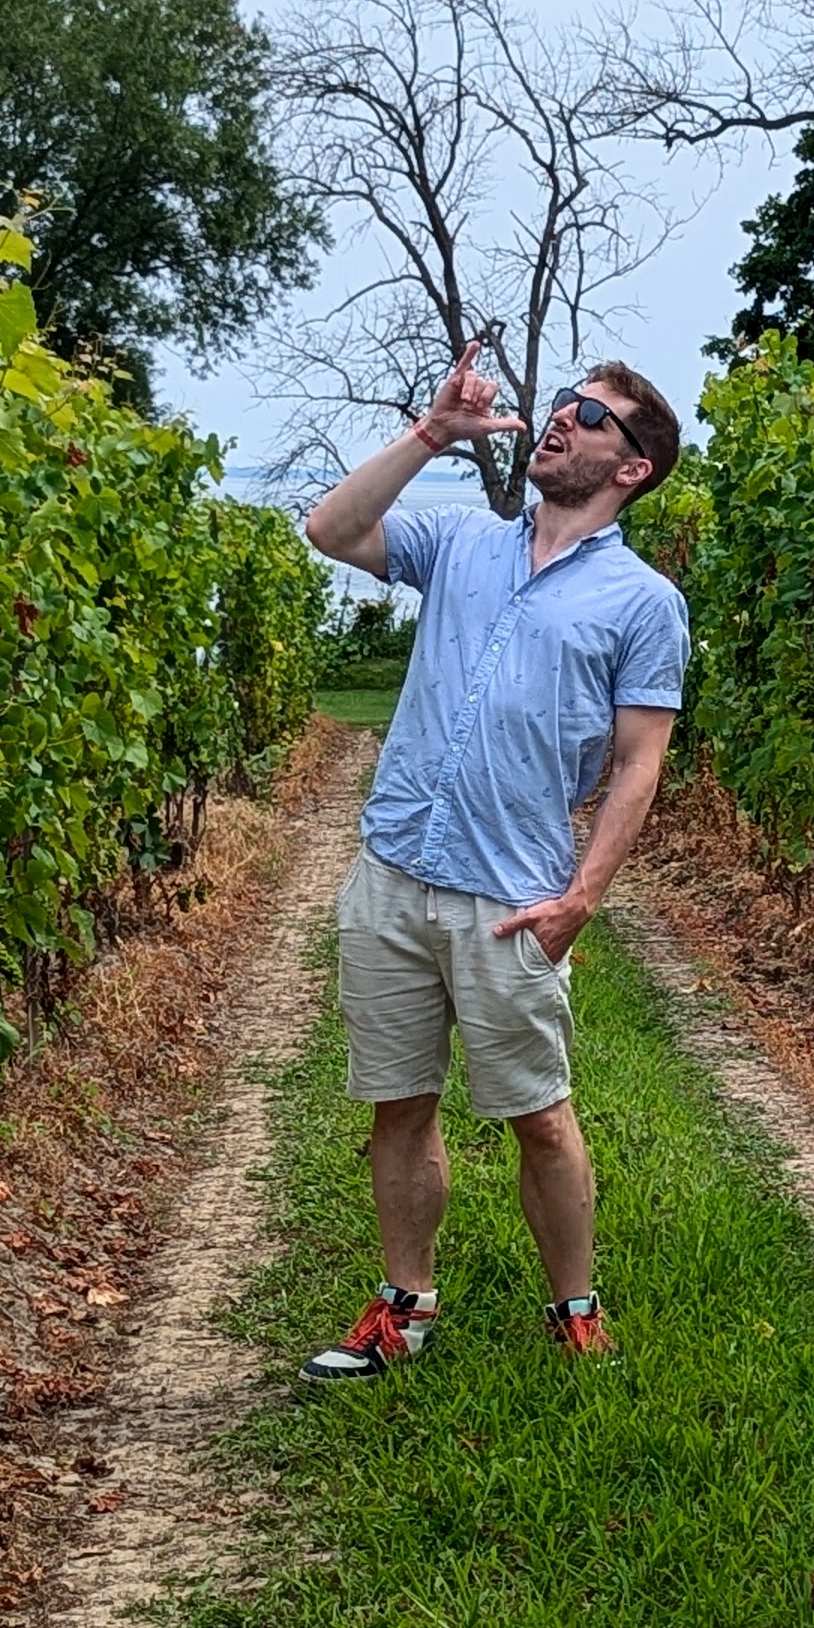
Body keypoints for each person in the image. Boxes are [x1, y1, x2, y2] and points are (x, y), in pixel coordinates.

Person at [292, 344, 690, 1381]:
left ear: (632, 466)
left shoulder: (644, 603)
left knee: (538, 1116)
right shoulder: (462, 542)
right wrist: (432, 434)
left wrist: (582, 900)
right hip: (393, 876)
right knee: (400, 1102)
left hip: (511, 898)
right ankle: (404, 1305)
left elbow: (640, 765)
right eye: (562, 404)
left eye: (592, 416)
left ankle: (576, 1311)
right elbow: (330, 530)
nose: (560, 418)